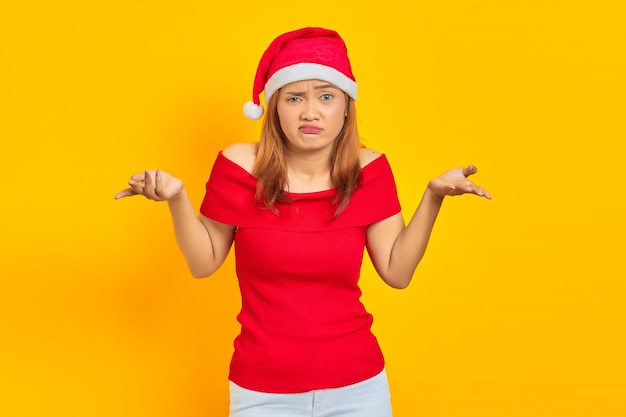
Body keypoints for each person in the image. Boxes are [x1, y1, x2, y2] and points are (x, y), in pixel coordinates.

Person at [115, 27, 491, 417]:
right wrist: (177, 199)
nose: (310, 112)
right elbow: (203, 263)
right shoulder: (240, 166)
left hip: (358, 389)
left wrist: (432, 198)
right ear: (275, 106)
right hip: (262, 391)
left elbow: (397, 272)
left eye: (326, 96)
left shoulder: (370, 169)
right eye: (294, 98)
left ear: (346, 106)